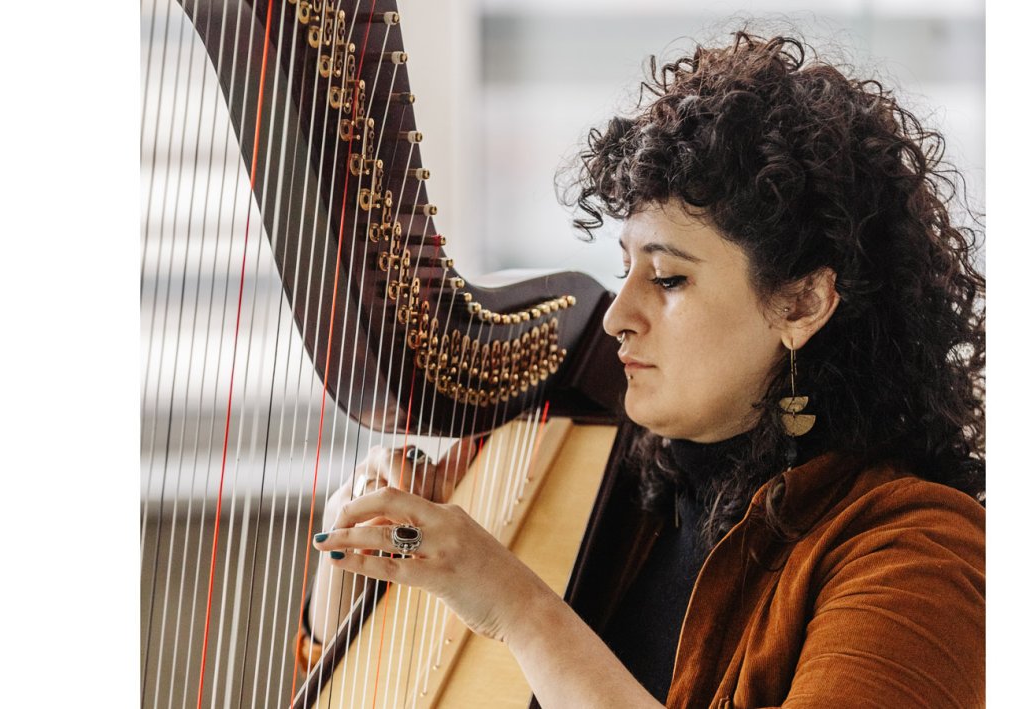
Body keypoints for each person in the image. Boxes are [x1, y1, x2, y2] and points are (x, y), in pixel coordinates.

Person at [299, 30, 985, 708]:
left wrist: (516, 603)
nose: (615, 315)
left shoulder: (917, 555)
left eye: (667, 278)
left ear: (801, 302)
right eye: (624, 268)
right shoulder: (622, 479)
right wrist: (363, 554)